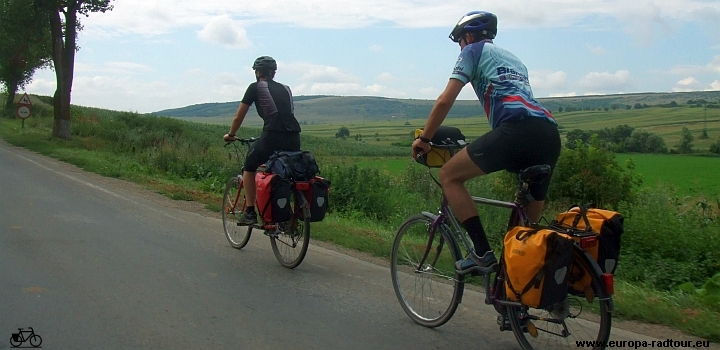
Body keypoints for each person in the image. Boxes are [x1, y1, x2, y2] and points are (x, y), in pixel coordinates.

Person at [411, 11, 561, 276]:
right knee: (526, 237)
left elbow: (445, 100)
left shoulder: (472, 51)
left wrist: (424, 139)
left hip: (516, 131)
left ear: (468, 36)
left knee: (449, 176)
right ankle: (514, 306)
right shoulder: (515, 60)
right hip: (548, 134)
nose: (460, 46)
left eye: (459, 41)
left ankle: (481, 252)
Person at [224, 56, 302, 225]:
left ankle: (250, 212)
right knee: (284, 171)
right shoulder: (286, 88)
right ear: (273, 73)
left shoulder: (255, 87)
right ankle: (288, 215)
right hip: (295, 137)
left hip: (272, 135)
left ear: (258, 72)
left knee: (250, 166)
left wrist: (231, 134)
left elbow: (239, 116)